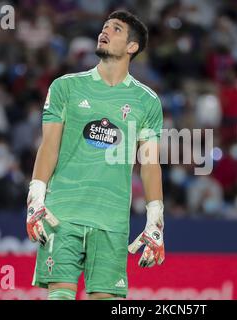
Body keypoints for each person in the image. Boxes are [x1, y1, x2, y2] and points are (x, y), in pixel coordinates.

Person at [26, 10, 165, 300]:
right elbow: (48, 146)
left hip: (112, 220)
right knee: (59, 295)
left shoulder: (147, 101)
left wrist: (155, 221)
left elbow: (150, 164)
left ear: (132, 47)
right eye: (104, 27)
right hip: (62, 213)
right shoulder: (65, 86)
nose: (105, 31)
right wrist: (35, 197)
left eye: (115, 29)